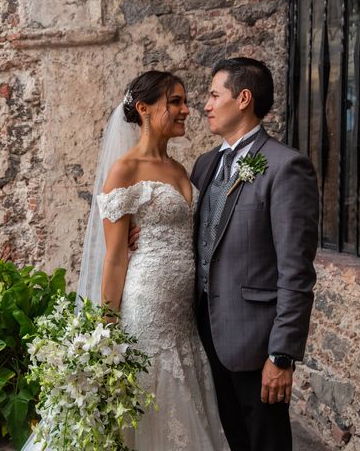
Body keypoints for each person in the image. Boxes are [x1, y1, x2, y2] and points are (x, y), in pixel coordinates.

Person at [131, 58, 319, 450]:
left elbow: (296, 272)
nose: (205, 105)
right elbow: (189, 228)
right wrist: (143, 231)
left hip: (254, 342)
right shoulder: (205, 164)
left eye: (215, 94)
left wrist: (281, 355)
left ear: (244, 99)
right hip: (200, 335)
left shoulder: (286, 167)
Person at [87, 70, 228, 450]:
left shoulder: (181, 169)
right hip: (145, 306)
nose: (187, 110)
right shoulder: (125, 170)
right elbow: (115, 258)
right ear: (145, 109)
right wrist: (106, 331)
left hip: (183, 315)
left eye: (185, 101)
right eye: (176, 102)